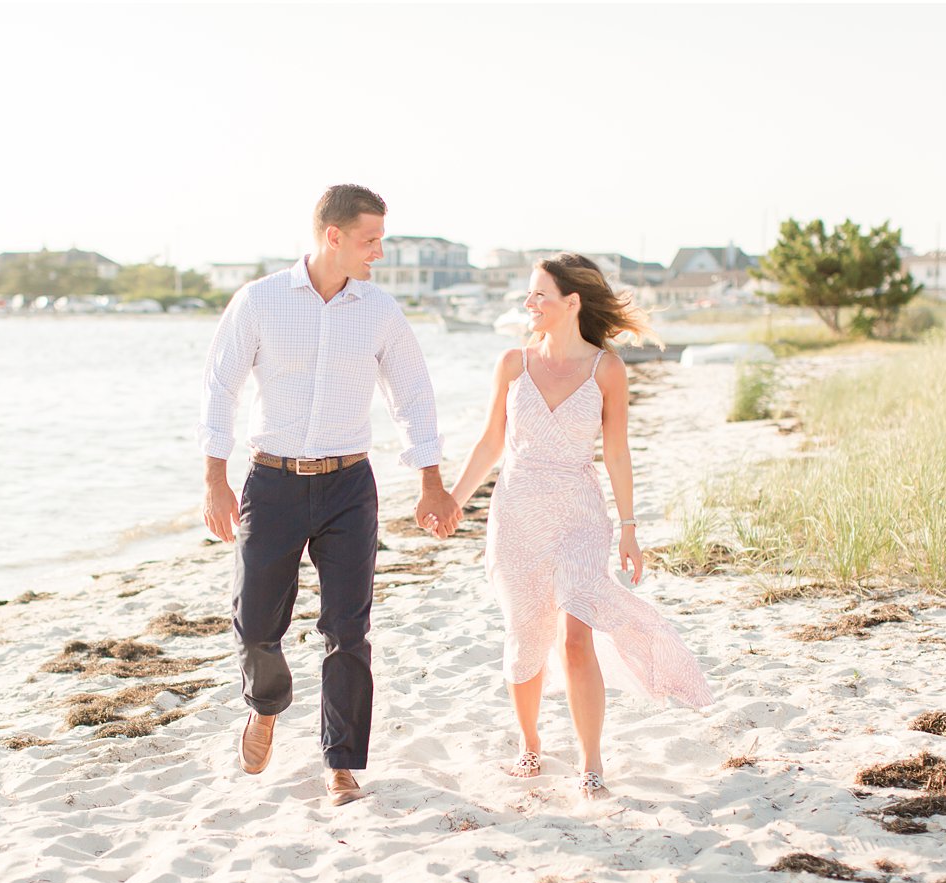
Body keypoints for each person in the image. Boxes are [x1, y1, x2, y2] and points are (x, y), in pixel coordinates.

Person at [198, 184, 463, 806]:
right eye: (370, 240)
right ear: (333, 237)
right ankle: (265, 707)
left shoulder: (379, 311)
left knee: (348, 630)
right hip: (273, 480)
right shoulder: (259, 302)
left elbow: (413, 395)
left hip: (349, 485)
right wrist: (214, 477)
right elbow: (219, 389)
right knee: (256, 622)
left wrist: (430, 480)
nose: (379, 253)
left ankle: (341, 762)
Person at [441, 253, 712, 800]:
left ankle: (591, 760)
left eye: (540, 294)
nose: (529, 303)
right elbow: (491, 442)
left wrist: (630, 527)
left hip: (580, 516)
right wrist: (452, 500)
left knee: (576, 633)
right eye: (529, 293)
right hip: (517, 514)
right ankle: (530, 744)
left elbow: (616, 454)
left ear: (572, 302)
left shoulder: (606, 369)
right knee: (525, 635)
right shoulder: (513, 364)